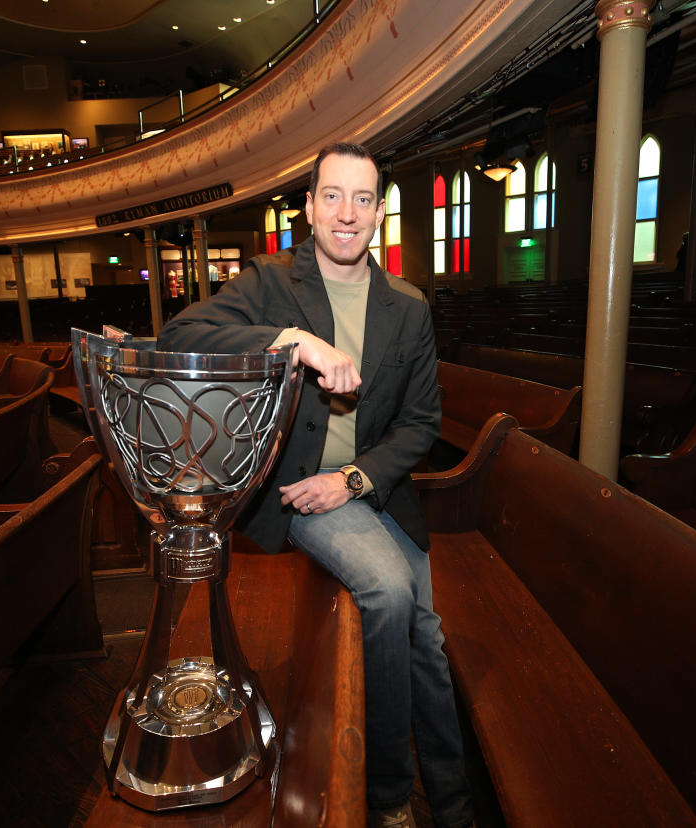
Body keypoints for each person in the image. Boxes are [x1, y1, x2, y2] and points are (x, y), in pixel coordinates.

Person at [157, 142, 473, 828]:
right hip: (298, 493)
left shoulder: (409, 307)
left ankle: (452, 803)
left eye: (362, 199)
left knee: (427, 633)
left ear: (379, 214)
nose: (346, 213)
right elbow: (180, 334)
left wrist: (354, 479)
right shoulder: (271, 284)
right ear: (308, 207)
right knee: (390, 594)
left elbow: (420, 424)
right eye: (332, 195)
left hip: (375, 490)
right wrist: (292, 341)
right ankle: (391, 795)